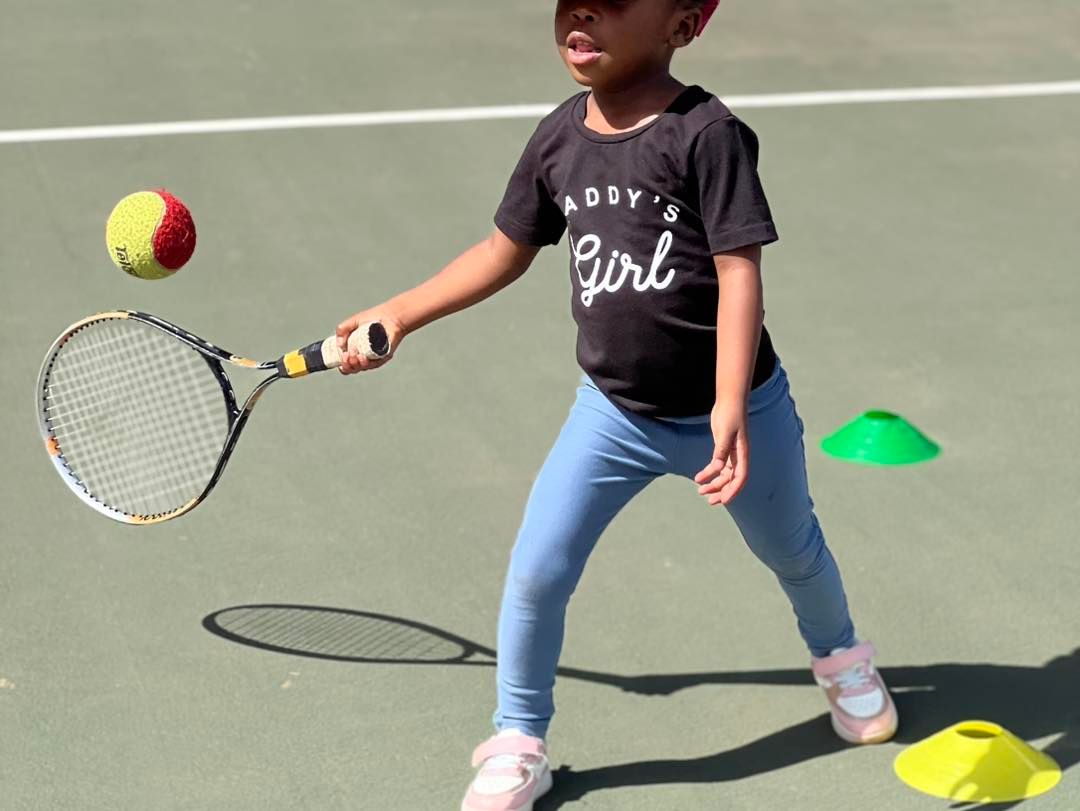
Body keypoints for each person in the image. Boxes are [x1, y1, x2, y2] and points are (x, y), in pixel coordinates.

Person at [335, 1, 898, 808]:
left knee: (793, 548)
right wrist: (400, 312)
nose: (583, 11)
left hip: (738, 411)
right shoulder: (558, 139)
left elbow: (739, 272)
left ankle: (841, 657)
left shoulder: (707, 134)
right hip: (613, 416)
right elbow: (502, 251)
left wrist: (730, 403)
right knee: (538, 569)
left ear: (682, 26)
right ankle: (518, 738)